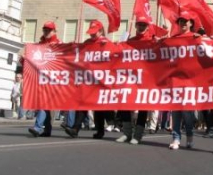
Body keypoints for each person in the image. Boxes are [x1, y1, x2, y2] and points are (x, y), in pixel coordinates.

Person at [64, 20, 115, 139]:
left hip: (101, 80)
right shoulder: (87, 43)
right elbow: (78, 55)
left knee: (98, 109)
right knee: (83, 104)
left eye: (94, 32)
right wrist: (72, 47)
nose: (92, 34)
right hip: (87, 79)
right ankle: (75, 129)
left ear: (101, 31)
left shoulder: (106, 43)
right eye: (91, 32)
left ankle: (100, 131)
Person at [116, 16, 154, 145]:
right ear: (136, 26)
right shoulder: (130, 40)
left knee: (143, 106)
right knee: (125, 103)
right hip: (131, 78)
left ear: (147, 26)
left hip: (146, 79)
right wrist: (119, 45)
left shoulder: (152, 41)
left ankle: (138, 135)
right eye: (139, 24)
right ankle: (127, 133)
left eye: (144, 25)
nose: (141, 27)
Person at [168, 11, 198, 150]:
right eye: (181, 21)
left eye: (186, 21)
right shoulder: (174, 38)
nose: (183, 23)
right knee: (176, 112)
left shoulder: (196, 37)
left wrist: (202, 38)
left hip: (190, 82)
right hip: (175, 81)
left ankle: (190, 136)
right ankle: (176, 138)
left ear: (191, 23)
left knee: (187, 113)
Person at [28, 21, 61, 137]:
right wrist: (25, 60)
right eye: (45, 29)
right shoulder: (39, 45)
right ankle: (46, 129)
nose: (46, 32)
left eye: (49, 30)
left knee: (46, 105)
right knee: (46, 106)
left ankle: (38, 128)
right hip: (41, 80)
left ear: (54, 31)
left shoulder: (59, 45)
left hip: (53, 80)